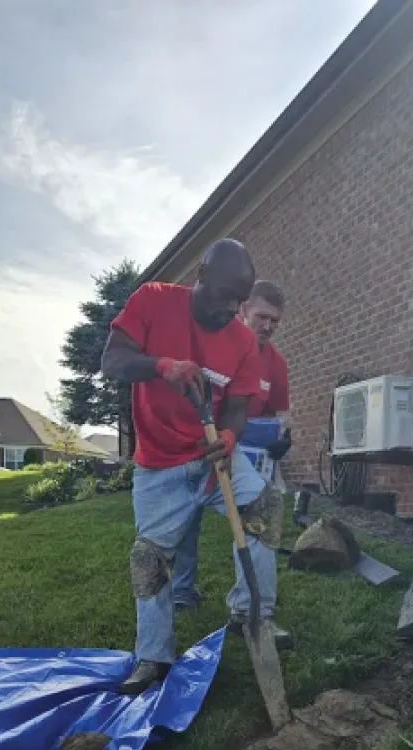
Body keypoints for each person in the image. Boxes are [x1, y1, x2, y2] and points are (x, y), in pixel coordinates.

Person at [101, 239, 290, 695]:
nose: (230, 308)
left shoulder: (243, 342)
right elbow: (112, 362)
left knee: (264, 507)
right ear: (199, 279)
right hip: (159, 465)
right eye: (223, 295)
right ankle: (153, 655)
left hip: (213, 461)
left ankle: (252, 616)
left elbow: (239, 407)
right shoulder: (153, 301)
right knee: (150, 558)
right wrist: (160, 366)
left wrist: (228, 437)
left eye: (238, 301)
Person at [172, 279, 291, 613]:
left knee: (257, 513)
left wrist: (283, 438)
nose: (268, 326)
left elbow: (278, 413)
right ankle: (182, 590)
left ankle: (251, 604)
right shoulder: (218, 342)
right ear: (244, 310)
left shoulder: (276, 363)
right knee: (187, 515)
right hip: (198, 443)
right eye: (262, 317)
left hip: (245, 449)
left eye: (274, 321)